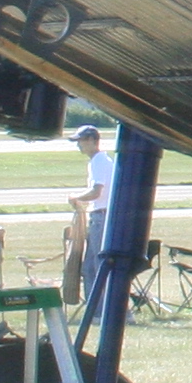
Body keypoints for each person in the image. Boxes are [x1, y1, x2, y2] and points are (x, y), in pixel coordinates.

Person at [60, 125, 114, 305]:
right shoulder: (101, 160)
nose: (79, 146)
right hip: (100, 216)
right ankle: (97, 308)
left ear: (92, 140)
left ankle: (102, 310)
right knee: (89, 267)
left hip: (101, 216)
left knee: (97, 266)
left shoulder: (98, 161)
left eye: (81, 141)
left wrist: (76, 197)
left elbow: (96, 192)